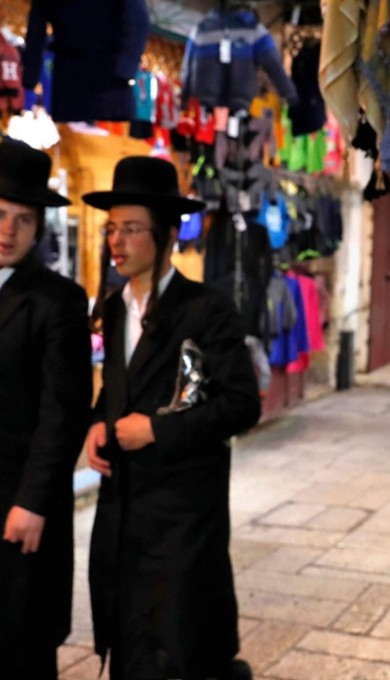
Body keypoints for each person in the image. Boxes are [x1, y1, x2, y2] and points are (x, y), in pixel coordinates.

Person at [83, 156, 261, 680]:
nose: (117, 241)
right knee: (129, 642)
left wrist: (157, 430)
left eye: (131, 229)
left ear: (166, 234)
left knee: (179, 648)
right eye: (111, 228)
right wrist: (99, 419)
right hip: (122, 513)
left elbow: (242, 404)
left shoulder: (207, 309)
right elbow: (118, 386)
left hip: (184, 516)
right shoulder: (114, 307)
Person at [0, 138, 91, 678]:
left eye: (23, 220)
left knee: (19, 645)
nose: (8, 230)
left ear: (39, 229)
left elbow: (64, 410)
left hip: (19, 506)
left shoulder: (57, 300)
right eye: (1, 215)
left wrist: (33, 502)